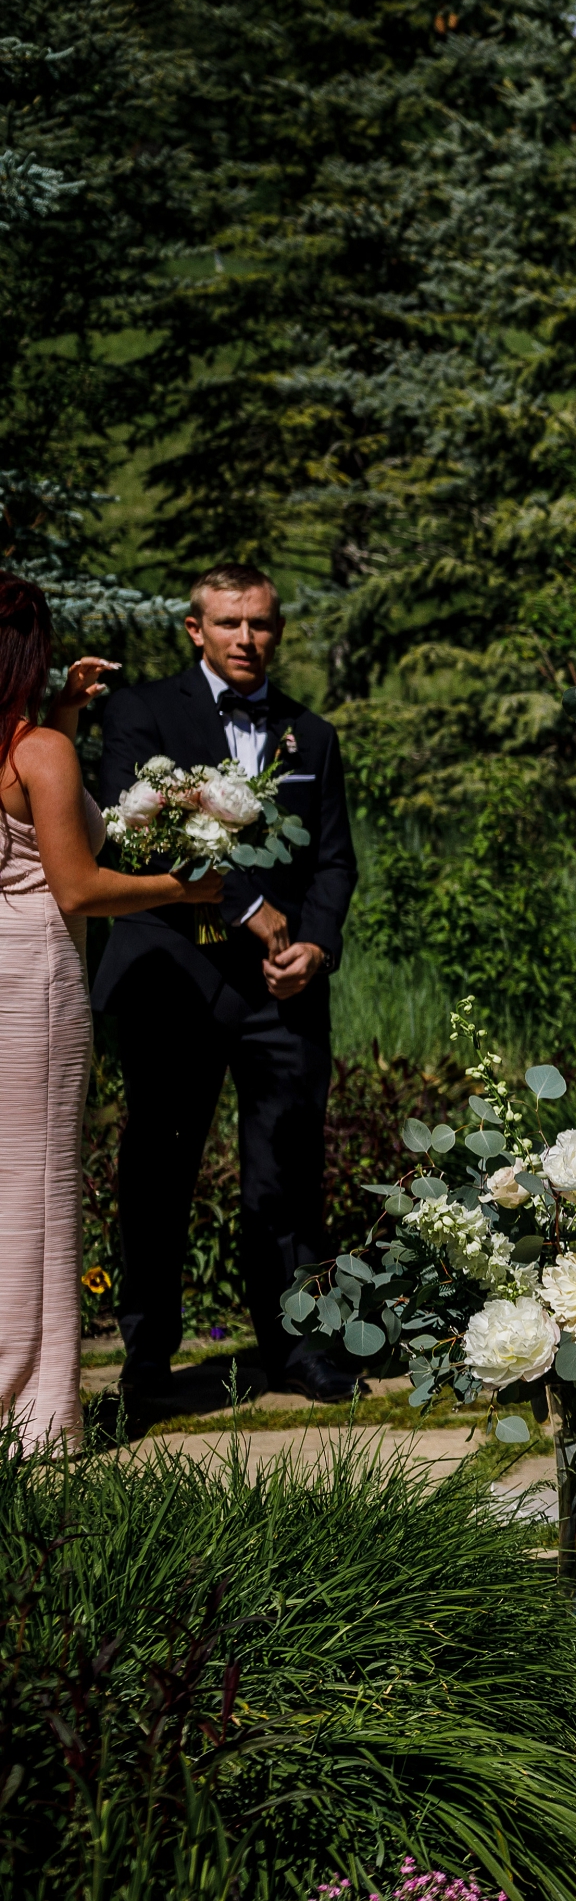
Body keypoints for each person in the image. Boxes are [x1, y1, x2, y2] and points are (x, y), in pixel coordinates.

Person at [96, 564, 359, 1415]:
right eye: (230, 622)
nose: (247, 638)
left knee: (283, 1173)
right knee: (159, 1170)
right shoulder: (140, 713)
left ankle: (296, 1348)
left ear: (278, 631)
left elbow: (332, 860)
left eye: (262, 624)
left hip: (280, 992)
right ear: (194, 630)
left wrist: (314, 943)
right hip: (173, 978)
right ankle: (146, 1359)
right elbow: (136, 830)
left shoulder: (310, 736)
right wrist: (249, 905)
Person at [3, 578, 229, 1450]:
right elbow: (78, 886)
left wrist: (59, 709)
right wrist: (186, 885)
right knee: (38, 1191)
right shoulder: (43, 756)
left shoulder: (31, 744)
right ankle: (32, 1417)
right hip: (28, 980)